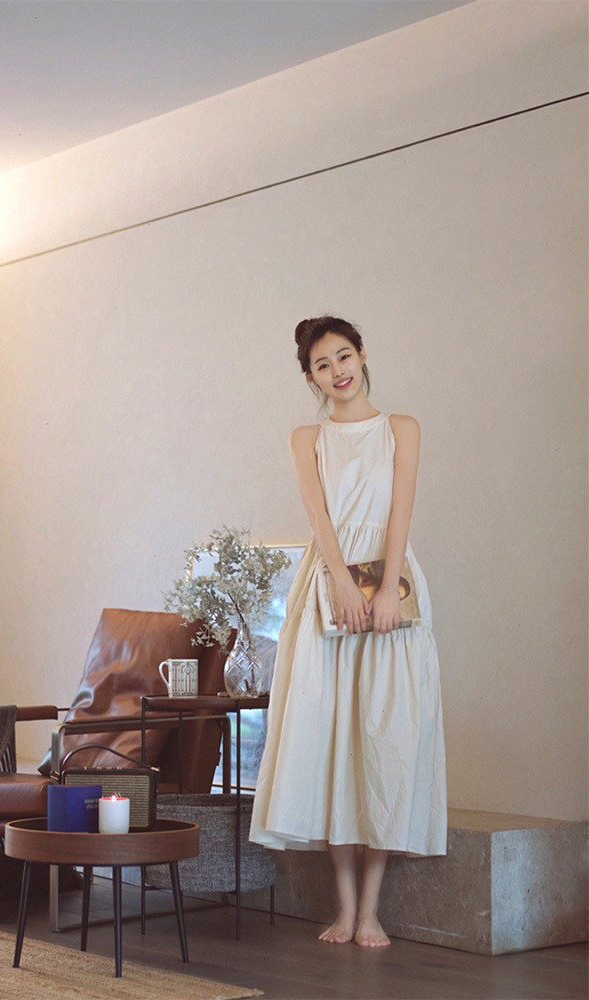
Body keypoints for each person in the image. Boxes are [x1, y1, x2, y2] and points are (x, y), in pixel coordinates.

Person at [249, 315, 447, 948]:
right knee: (330, 737)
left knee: (386, 737)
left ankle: (371, 912)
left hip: (391, 586)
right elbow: (318, 517)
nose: (337, 371)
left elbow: (401, 513)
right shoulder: (306, 439)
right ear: (311, 378)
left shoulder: (402, 429)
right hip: (326, 591)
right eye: (322, 365)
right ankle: (344, 908)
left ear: (362, 355)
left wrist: (387, 588)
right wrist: (339, 582)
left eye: (343, 356)